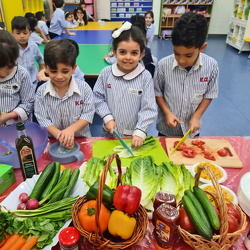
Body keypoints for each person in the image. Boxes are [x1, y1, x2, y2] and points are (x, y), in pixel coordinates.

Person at [154, 12, 219, 138]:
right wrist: (166, 113)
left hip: (191, 131)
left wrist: (197, 116)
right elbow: (157, 92)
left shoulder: (212, 66)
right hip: (166, 130)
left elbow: (209, 94)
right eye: (176, 53)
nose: (181, 60)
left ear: (202, 47)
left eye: (188, 55)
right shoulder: (163, 65)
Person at [93, 22, 157, 148]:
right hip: (108, 133)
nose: (128, 57)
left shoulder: (145, 77)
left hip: (134, 137)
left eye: (134, 53)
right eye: (122, 52)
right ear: (114, 52)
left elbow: (148, 108)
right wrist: (107, 117)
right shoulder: (106, 73)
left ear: (141, 54)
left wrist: (140, 131)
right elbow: (97, 98)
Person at [34, 39, 95, 148]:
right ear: (46, 69)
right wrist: (59, 134)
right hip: (53, 141)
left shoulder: (84, 88)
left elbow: (88, 114)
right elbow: (42, 118)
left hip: (82, 140)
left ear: (73, 68)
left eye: (65, 71)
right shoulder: (41, 92)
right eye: (53, 71)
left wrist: (70, 130)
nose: (59, 76)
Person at [0, 30, 34, 126]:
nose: (3, 73)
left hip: (19, 126)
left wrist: (9, 116)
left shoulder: (22, 74)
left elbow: (29, 103)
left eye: (9, 67)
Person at [11, 16, 44, 92]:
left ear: (30, 33)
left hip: (34, 82)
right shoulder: (11, 48)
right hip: (18, 83)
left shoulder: (33, 46)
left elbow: (40, 59)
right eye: (18, 33)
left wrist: (41, 71)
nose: (22, 36)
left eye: (25, 33)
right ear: (12, 33)